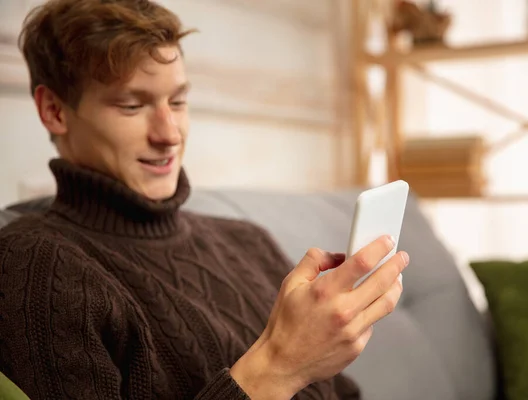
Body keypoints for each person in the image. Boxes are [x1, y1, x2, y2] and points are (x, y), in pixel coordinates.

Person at [0, 0, 410, 399]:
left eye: (178, 101)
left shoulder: (247, 240)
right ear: (54, 110)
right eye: (131, 105)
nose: (170, 133)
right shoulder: (36, 266)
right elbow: (287, 368)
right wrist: (282, 365)